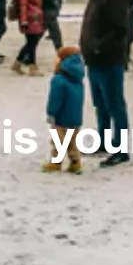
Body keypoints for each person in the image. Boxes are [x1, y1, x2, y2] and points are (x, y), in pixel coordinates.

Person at [76, 0, 133, 167]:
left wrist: (99, 47)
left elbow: (119, 29)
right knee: (100, 104)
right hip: (95, 61)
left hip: (109, 60)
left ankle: (121, 149)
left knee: (114, 105)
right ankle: (103, 140)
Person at [43, 46, 86, 174]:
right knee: (73, 142)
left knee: (58, 141)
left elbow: (55, 99)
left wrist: (51, 113)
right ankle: (75, 163)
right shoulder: (78, 78)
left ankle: (56, 163)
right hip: (75, 117)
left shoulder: (59, 80)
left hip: (61, 118)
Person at [12, 0, 48, 74]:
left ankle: (31, 66)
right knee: (32, 42)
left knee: (32, 42)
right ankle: (20, 63)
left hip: (35, 18)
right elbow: (23, 5)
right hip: (30, 19)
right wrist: (24, 20)